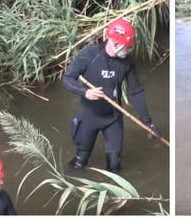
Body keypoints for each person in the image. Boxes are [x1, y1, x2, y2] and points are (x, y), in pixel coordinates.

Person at [62, 18, 161, 172]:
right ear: (115, 44)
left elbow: (136, 91)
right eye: (127, 47)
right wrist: (85, 92)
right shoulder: (89, 55)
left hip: (113, 118)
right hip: (89, 116)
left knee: (115, 165)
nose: (129, 50)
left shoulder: (127, 62)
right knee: (80, 162)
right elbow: (67, 79)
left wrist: (148, 123)